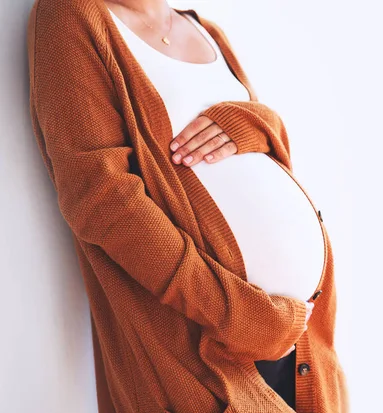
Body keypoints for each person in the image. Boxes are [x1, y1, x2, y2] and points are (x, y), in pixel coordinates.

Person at [27, 0, 349, 411]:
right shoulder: (71, 15)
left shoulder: (207, 31)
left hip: (304, 338)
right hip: (204, 342)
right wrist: (240, 316)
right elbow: (101, 200)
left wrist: (256, 123)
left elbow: (272, 150)